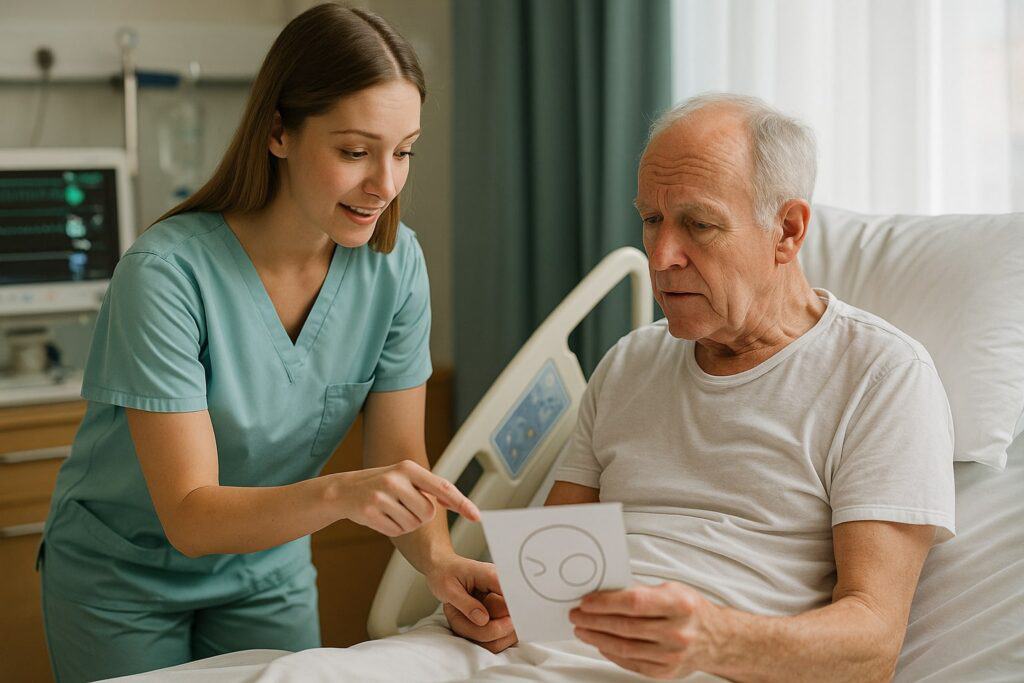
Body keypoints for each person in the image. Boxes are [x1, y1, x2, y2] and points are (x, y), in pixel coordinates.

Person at [157, 93, 954, 682]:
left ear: (787, 230)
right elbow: (549, 567)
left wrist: (711, 637)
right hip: (503, 656)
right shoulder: (632, 362)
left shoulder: (880, 378)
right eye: (649, 220)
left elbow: (874, 642)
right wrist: (503, 600)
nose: (662, 253)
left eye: (699, 225)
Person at [38, 5, 498, 681]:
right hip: (123, 574)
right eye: (354, 151)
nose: (386, 183)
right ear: (279, 130)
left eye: (403, 151)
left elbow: (400, 461)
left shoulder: (394, 266)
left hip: (265, 569)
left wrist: (442, 562)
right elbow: (191, 515)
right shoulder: (168, 274)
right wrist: (343, 494)